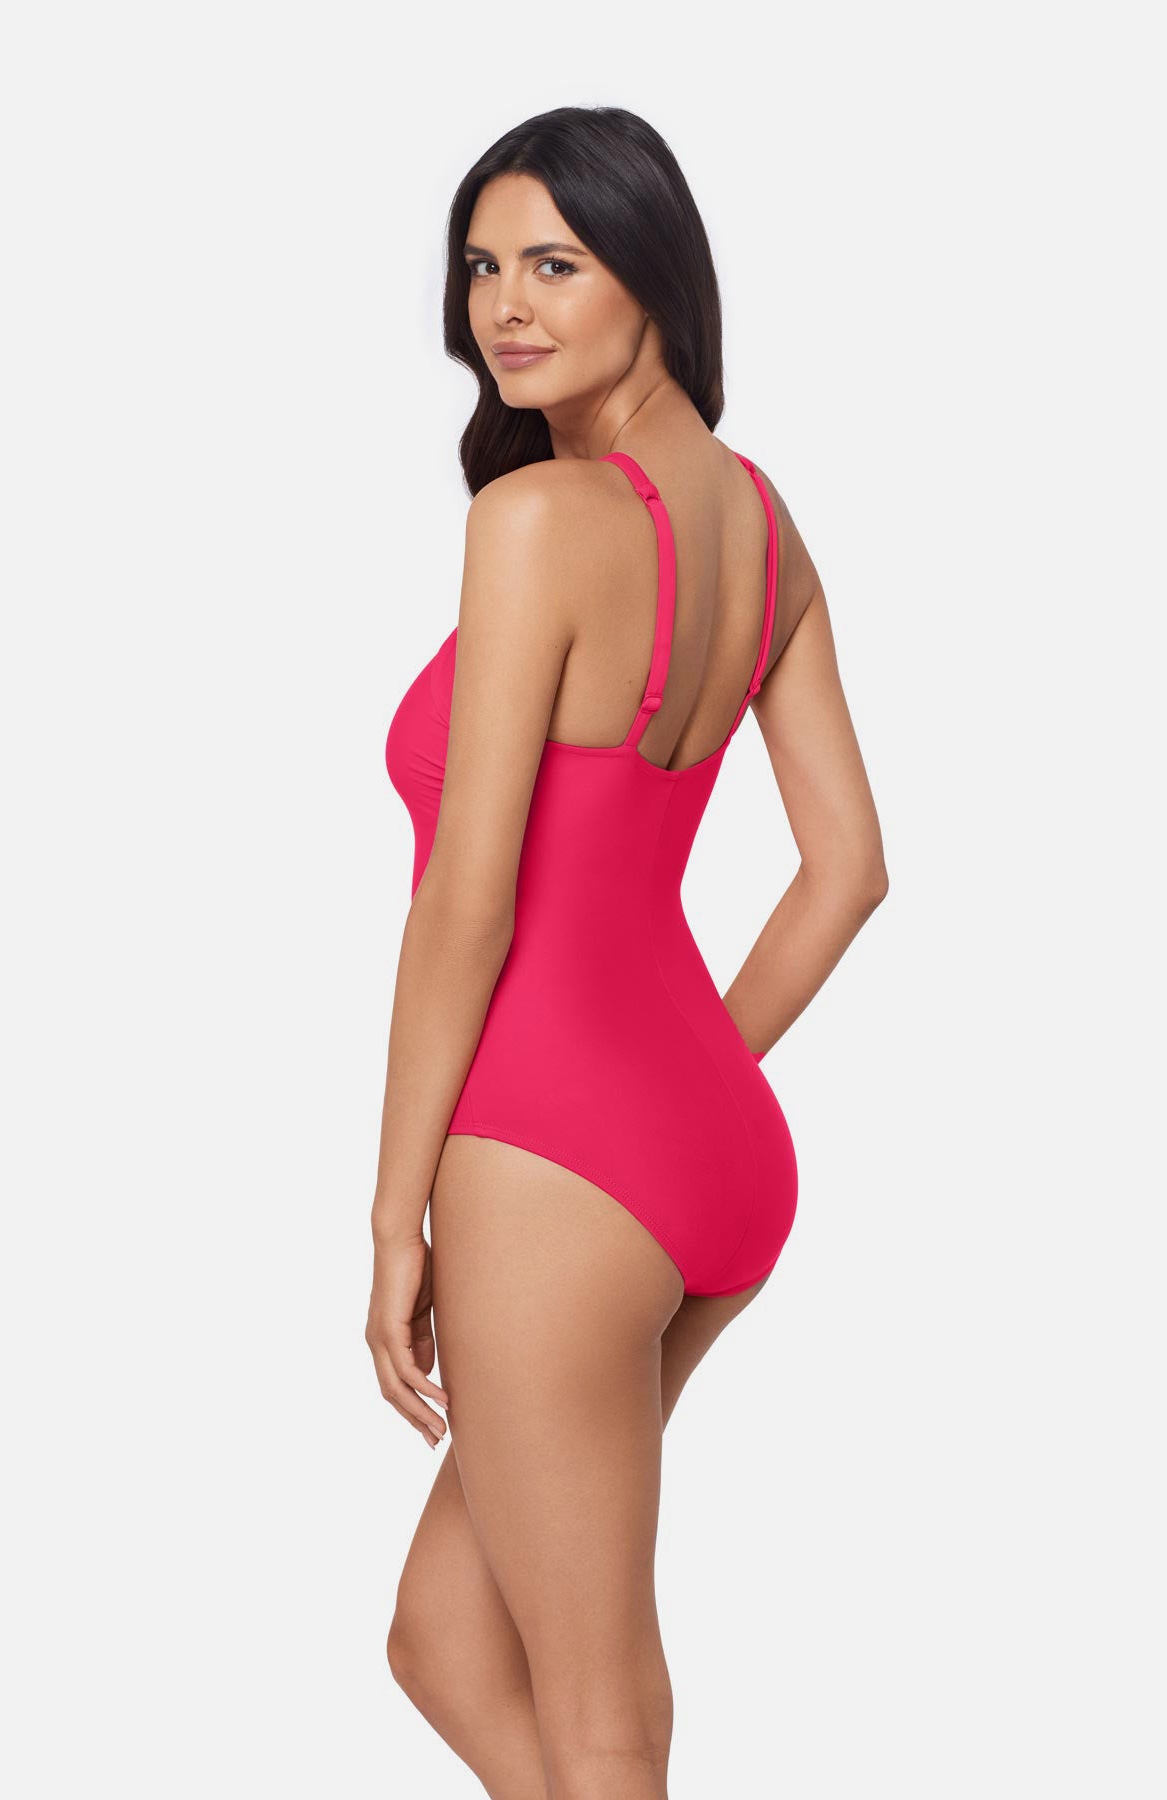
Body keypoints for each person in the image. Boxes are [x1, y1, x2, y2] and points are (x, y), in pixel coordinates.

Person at [367, 105, 888, 1800]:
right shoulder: (763, 523)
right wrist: (687, 1085)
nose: (504, 307)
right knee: (445, 1640)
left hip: (546, 1159)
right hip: (705, 1142)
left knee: (600, 1712)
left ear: (654, 276)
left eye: (555, 263)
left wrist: (392, 1213)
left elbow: (468, 906)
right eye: (481, 267)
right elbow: (847, 871)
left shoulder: (538, 520)